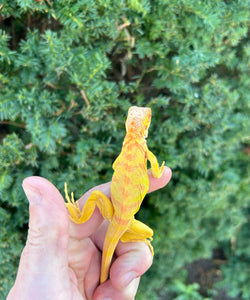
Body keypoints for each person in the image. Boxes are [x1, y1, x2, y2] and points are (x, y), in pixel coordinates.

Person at [7, 167, 172, 300]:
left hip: (120, 219)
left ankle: (80, 218)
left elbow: (116, 166)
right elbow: (155, 171)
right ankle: (80, 219)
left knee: (98, 198)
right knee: (144, 236)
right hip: (123, 221)